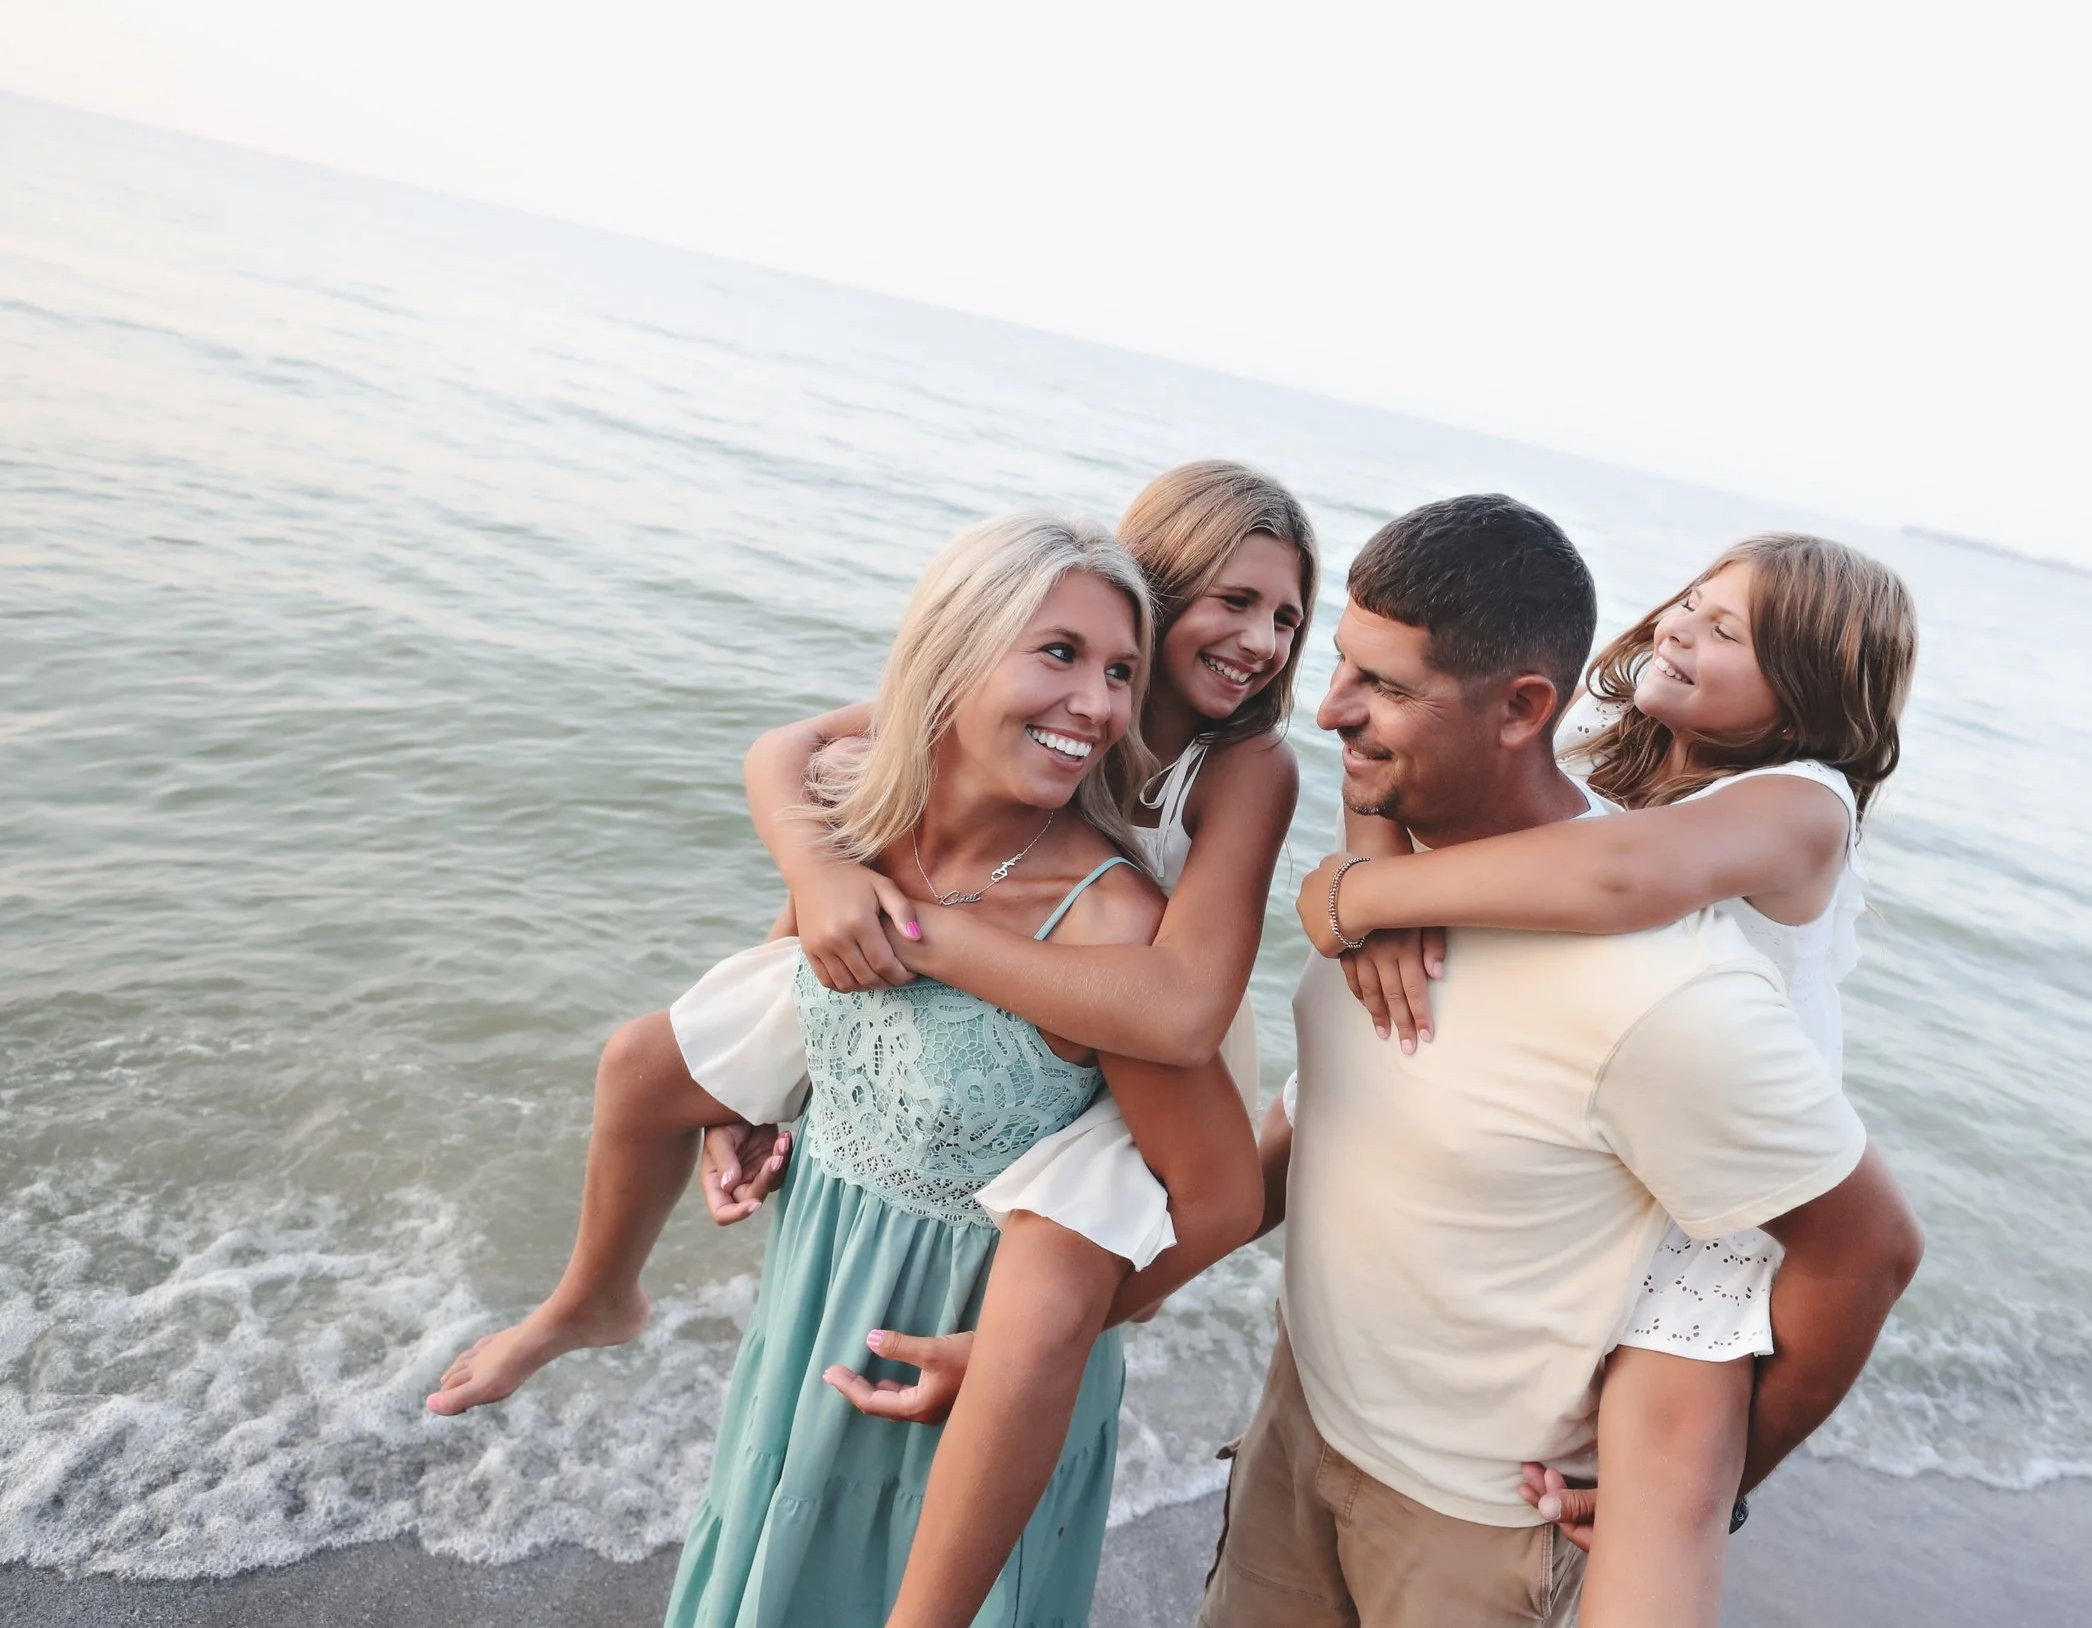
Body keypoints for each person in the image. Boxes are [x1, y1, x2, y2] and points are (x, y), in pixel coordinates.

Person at [427, 463, 1318, 1627]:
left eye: (1289, 617)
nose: (1260, 638)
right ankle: (591, 1299)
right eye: (1233, 599)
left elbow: (1181, 1011)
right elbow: (792, 758)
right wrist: (794, 979)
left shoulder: (1240, 766)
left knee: (1050, 1290)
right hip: (958, 977)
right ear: (1153, 594)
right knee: (649, 1060)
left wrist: (934, 937)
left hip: (1129, 1017)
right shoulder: (1016, 680)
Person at [1205, 496, 1922, 1628]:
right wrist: (1370, 850)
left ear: (1812, 686)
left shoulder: (1796, 806)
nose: (1682, 628)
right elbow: (1474, 805)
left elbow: (1610, 880)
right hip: (1602, 1194)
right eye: (1690, 602)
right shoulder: (1619, 788)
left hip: (1713, 1223)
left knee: (1664, 1505)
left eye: (1728, 631)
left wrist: (1351, 893)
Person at [654, 511, 1245, 1626]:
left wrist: (1045, 1334)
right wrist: (744, 1110)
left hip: (969, 1390)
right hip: (813, 1305)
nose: (1098, 703)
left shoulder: (1107, 926)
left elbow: (1218, 1194)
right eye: (1059, 651)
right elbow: (802, 1008)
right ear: (953, 649)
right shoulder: (857, 828)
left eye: (1120, 670)